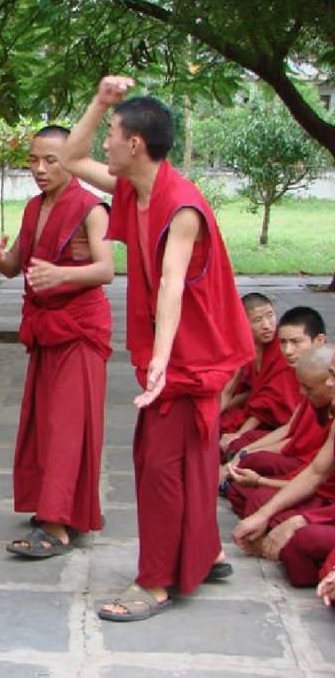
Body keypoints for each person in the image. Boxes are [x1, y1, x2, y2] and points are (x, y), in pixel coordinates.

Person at [62, 76, 253, 621]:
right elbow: (73, 157)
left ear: (136, 145)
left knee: (159, 467)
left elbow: (172, 286)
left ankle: (156, 583)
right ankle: (206, 553)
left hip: (193, 357)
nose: (106, 144)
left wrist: (162, 363)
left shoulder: (181, 205)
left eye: (113, 134)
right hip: (178, 355)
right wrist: (100, 102)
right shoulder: (136, 189)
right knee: (186, 460)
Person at [0, 125, 113, 557]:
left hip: (79, 328)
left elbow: (106, 270)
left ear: (73, 160)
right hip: (44, 327)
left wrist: (61, 276)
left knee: (66, 425)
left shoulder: (92, 208)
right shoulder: (33, 208)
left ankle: (58, 526)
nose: (39, 169)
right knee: (44, 422)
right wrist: (0, 258)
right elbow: (16, 267)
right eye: (33, 160)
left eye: (51, 160)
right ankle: (56, 508)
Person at [223, 345, 334, 518]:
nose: (289, 350)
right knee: (242, 485)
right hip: (307, 474)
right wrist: (246, 451)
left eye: (296, 341)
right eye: (283, 342)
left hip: (320, 491)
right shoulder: (316, 398)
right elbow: (291, 430)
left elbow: (317, 478)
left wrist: (260, 481)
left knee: (259, 499)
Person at [218, 294, 300, 457]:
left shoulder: (283, 348)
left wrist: (240, 433)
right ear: (242, 322)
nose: (267, 325)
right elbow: (240, 390)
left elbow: (269, 401)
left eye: (270, 316)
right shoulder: (246, 347)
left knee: (234, 443)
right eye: (257, 320)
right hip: (259, 416)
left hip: (280, 423)